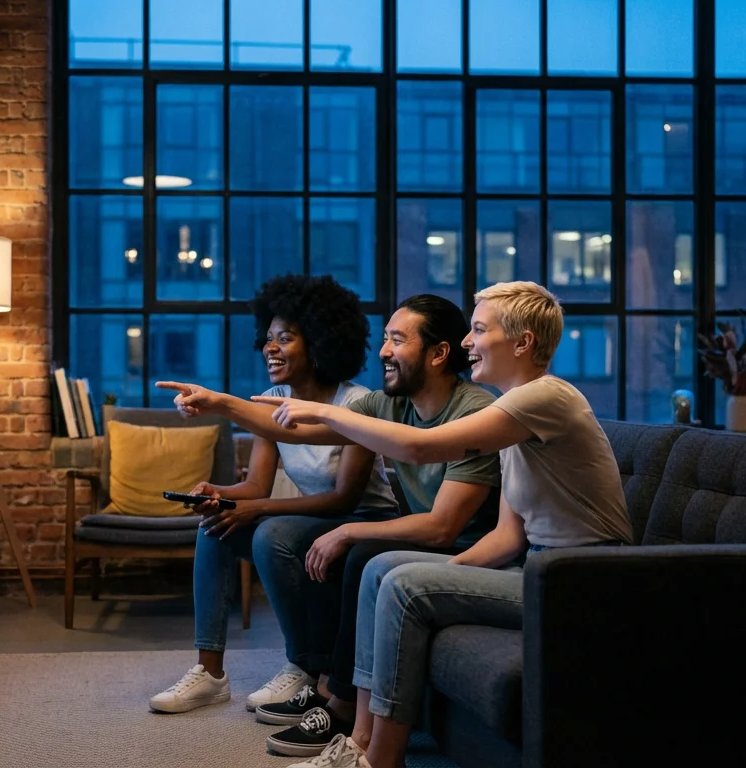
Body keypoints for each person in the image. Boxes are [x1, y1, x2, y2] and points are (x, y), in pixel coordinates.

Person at [252, 282, 632, 768]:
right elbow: (508, 537)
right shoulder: (512, 414)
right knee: (386, 569)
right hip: (538, 569)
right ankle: (360, 740)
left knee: (405, 585)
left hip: (582, 581)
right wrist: (441, 575)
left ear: (523, 343)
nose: (467, 343)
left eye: (478, 330)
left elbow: (419, 446)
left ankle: (379, 760)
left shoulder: (547, 397)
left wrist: (325, 409)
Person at [157, 294, 504, 759]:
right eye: (384, 339)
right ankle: (258, 680)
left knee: (353, 551)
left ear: (438, 354)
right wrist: (219, 402)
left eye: (397, 340)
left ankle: (329, 693)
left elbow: (440, 525)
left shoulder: (472, 410)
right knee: (235, 528)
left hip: (465, 547)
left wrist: (347, 530)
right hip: (428, 535)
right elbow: (296, 431)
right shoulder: (391, 403)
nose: (384, 351)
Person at [149, 274, 399, 716]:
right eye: (268, 338)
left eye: (286, 338)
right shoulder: (269, 401)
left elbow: (342, 500)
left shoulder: (358, 403)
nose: (270, 348)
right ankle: (210, 674)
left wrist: (255, 509)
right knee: (217, 527)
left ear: (320, 341)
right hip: (311, 523)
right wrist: (222, 496)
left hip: (364, 525)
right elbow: (256, 487)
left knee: (270, 533)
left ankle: (301, 666)